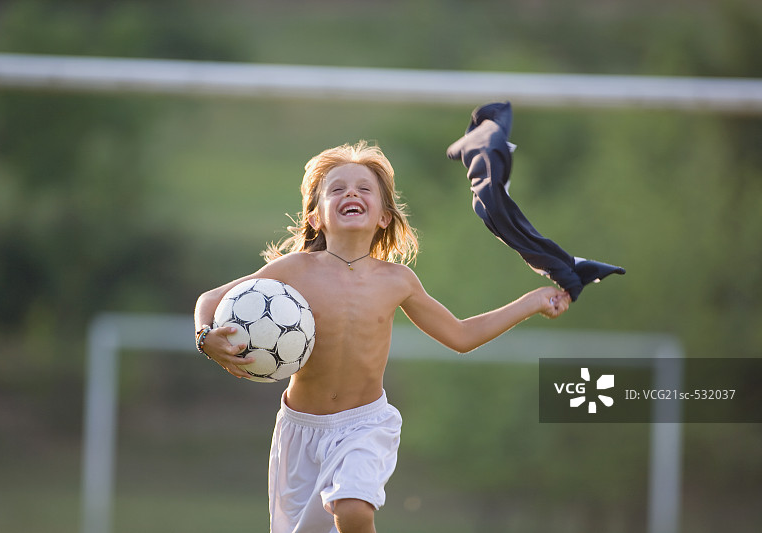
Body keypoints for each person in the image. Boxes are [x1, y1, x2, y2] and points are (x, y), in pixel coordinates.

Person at [193, 141, 571, 533]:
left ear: (385, 217)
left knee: (354, 510)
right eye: (337, 189)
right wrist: (206, 337)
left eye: (363, 189)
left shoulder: (398, 281)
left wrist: (531, 302)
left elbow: (460, 335)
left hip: (364, 425)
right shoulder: (294, 270)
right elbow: (210, 299)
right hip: (300, 432)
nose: (351, 193)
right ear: (317, 217)